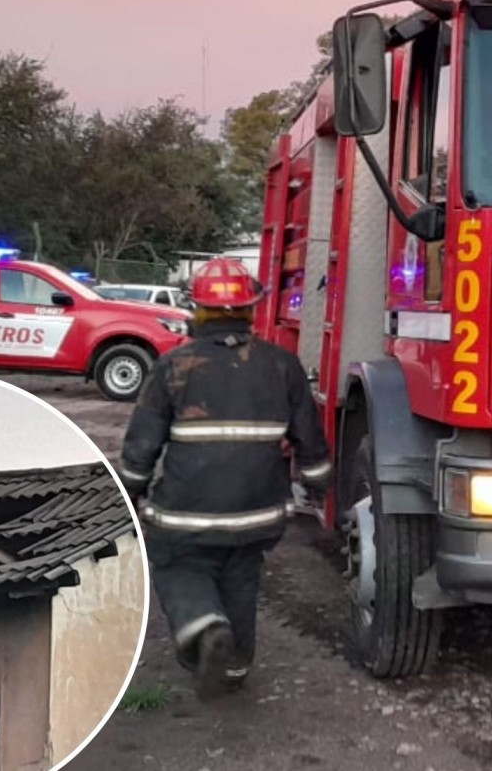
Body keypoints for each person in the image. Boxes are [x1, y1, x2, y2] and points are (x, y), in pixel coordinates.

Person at [119, 258, 331, 700]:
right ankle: (233, 669)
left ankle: (204, 625)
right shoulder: (282, 365)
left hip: (187, 510)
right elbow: (310, 437)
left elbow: (142, 445)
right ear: (251, 308)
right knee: (242, 575)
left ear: (198, 309)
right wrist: (318, 484)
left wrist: (131, 490)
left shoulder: (174, 366)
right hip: (260, 511)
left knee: (180, 563)